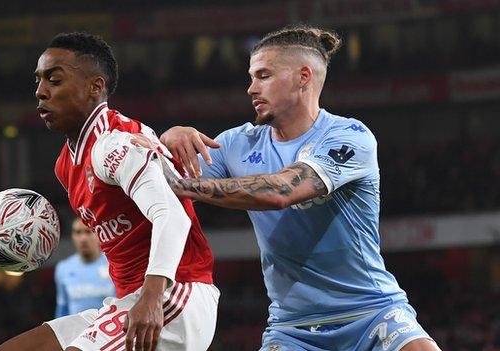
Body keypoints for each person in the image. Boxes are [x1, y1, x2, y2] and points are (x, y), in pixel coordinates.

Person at [157, 25, 441, 351]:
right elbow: (163, 176)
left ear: (303, 77)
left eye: (263, 76)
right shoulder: (236, 143)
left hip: (373, 311)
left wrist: (186, 186)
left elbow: (281, 191)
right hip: (294, 329)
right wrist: (169, 139)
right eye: (251, 77)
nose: (251, 88)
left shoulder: (349, 136)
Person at [0, 32, 218, 351]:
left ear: (95, 87)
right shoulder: (65, 164)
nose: (41, 92)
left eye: (54, 80)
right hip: (127, 302)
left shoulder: (114, 145)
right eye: (39, 81)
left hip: (175, 294)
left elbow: (174, 215)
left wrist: (152, 298)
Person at [54, 218, 115, 318]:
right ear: (72, 237)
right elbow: (62, 309)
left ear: (98, 234)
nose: (83, 238)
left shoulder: (114, 264)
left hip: (108, 331)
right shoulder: (63, 268)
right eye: (78, 232)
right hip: (76, 332)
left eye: (88, 232)